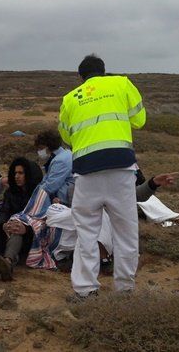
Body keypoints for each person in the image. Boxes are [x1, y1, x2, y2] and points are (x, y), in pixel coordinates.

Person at [58, 54, 147, 297]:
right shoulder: (122, 84)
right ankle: (125, 288)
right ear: (104, 71)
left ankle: (85, 289)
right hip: (120, 168)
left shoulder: (70, 99)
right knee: (126, 232)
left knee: (86, 233)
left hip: (86, 172)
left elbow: (66, 137)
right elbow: (140, 120)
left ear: (81, 77)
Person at [0, 157, 44, 281]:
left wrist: (26, 228)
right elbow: (3, 212)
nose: (16, 176)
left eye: (21, 173)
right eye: (15, 173)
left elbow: (42, 221)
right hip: (8, 231)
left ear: (29, 174)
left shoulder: (39, 194)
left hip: (30, 238)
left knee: (17, 227)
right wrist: (3, 224)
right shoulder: (11, 192)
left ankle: (7, 263)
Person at [33, 130, 74, 205]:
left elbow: (51, 185)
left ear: (48, 146)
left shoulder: (61, 160)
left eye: (40, 148)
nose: (39, 151)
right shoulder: (64, 154)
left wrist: (34, 194)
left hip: (64, 199)